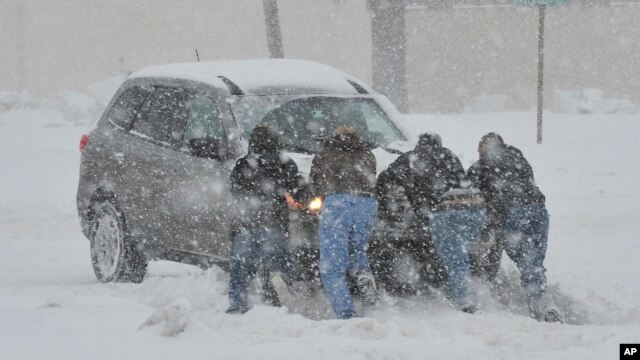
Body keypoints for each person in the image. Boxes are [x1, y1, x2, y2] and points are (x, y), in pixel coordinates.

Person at [377, 133, 486, 313]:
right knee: (459, 254)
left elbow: (384, 178)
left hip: (432, 215)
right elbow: (463, 182)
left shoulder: (408, 159)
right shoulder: (449, 156)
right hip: (462, 213)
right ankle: (461, 288)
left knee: (446, 255)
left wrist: (388, 207)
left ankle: (461, 297)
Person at [467, 132, 562, 323]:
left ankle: (543, 307)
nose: (478, 153)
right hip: (538, 211)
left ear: (483, 147)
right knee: (534, 263)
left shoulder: (479, 167)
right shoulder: (520, 159)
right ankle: (542, 303)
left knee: (528, 263)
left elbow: (472, 199)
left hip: (514, 214)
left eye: (479, 149)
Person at [226, 125, 303, 314]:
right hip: (275, 224)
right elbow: (296, 189)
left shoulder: (243, 164)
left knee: (241, 271)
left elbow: (235, 192)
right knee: (280, 262)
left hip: (247, 224)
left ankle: (237, 306)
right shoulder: (286, 163)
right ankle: (281, 289)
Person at [310, 127, 379, 319]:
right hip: (367, 204)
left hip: (338, 204)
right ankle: (363, 273)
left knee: (332, 266)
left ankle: (346, 314)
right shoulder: (368, 154)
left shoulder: (324, 155)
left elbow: (315, 183)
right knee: (356, 250)